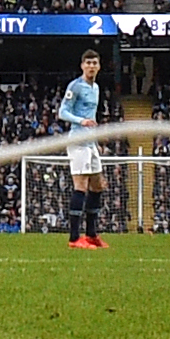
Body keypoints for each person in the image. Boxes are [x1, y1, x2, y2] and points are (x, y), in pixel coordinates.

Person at [59, 50, 108, 247]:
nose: (91, 66)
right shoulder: (75, 86)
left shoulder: (95, 87)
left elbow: (92, 116)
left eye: (94, 63)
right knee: (81, 185)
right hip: (78, 141)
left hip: (90, 142)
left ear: (99, 66)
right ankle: (74, 238)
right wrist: (81, 121)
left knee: (97, 185)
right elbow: (63, 112)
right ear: (82, 66)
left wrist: (95, 142)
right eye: (88, 63)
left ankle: (91, 234)